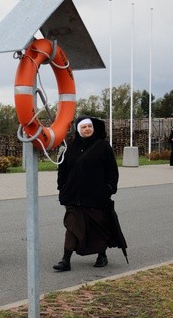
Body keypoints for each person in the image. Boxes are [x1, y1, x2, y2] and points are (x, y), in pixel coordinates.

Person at [53, 116, 125, 272]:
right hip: (73, 196)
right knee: (72, 226)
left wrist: (109, 188)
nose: (87, 129)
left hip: (96, 196)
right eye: (83, 127)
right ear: (78, 130)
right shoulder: (71, 147)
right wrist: (62, 188)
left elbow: (112, 171)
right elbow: (62, 170)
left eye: (89, 127)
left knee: (98, 226)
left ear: (93, 129)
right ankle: (65, 260)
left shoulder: (103, 147)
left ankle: (102, 255)